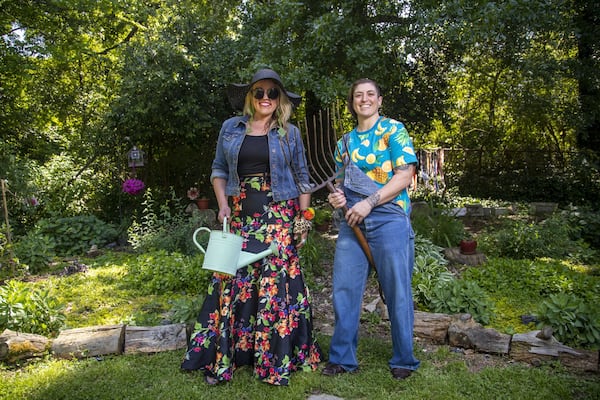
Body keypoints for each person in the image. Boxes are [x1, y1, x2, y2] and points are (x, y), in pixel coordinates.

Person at [181, 68, 321, 385]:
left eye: (273, 93)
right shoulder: (230, 128)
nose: (266, 98)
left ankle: (275, 360)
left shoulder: (290, 133)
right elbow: (218, 169)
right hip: (241, 214)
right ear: (250, 96)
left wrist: (304, 216)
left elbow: (302, 178)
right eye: (259, 92)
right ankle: (226, 357)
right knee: (232, 281)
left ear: (280, 98)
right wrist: (223, 205)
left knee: (274, 286)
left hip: (279, 214)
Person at [322, 78, 420, 380]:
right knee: (345, 288)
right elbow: (339, 185)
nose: (364, 99)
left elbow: (405, 175)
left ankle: (404, 357)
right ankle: (342, 358)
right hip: (353, 223)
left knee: (397, 289)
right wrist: (335, 198)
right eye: (358, 96)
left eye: (370, 95)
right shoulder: (344, 143)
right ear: (353, 103)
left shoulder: (393, 130)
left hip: (389, 217)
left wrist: (370, 202)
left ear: (379, 101)